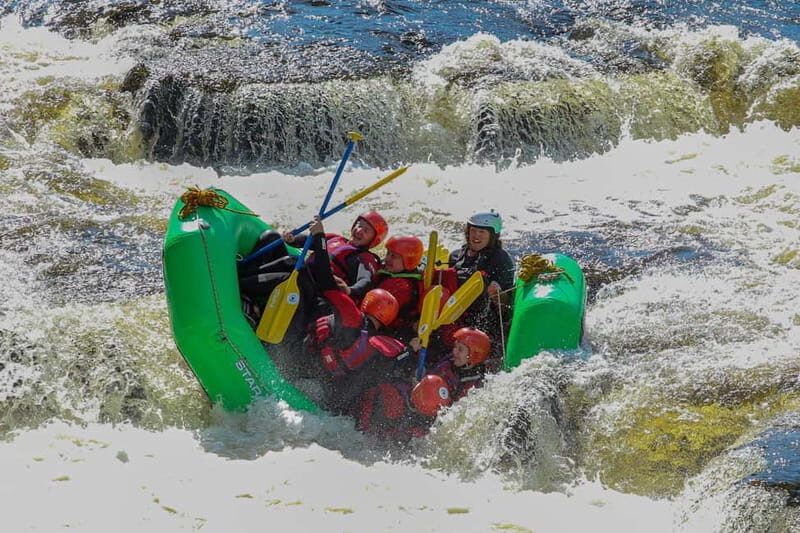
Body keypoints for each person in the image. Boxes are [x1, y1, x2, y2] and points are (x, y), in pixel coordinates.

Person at [353, 327, 491, 440]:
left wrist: (426, 395)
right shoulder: (452, 360)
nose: (454, 351)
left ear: (474, 355)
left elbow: (454, 411)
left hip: (432, 415)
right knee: (384, 389)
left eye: (460, 349)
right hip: (420, 394)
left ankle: (393, 437)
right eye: (455, 347)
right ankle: (362, 429)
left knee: (408, 424)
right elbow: (432, 370)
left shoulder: (475, 383)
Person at [239, 210, 388, 308]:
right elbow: (304, 241)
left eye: (366, 230)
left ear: (373, 240)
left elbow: (365, 281)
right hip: (301, 274)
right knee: (271, 237)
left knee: (294, 264)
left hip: (316, 292)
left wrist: (350, 290)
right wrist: (292, 239)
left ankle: (241, 285)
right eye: (358, 225)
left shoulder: (365, 258)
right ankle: (243, 272)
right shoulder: (335, 238)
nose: (359, 230)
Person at [447, 210, 514, 370]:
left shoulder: (500, 259)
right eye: (473, 230)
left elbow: (505, 306)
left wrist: (496, 295)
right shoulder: (456, 256)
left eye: (482, 232)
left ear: (493, 236)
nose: (476, 235)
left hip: (485, 322)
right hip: (455, 317)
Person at [371, 235, 425, 340]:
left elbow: (374, 317)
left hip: (389, 334)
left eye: (394, 256)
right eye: (388, 253)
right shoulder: (395, 272)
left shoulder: (401, 286)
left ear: (408, 260)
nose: (387, 258)